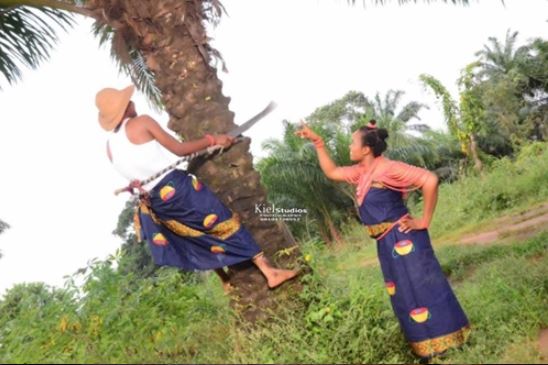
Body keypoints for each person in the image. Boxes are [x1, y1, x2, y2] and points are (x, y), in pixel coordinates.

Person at [295, 119, 470, 360]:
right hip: (386, 243)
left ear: (366, 149)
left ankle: (450, 343)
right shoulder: (362, 172)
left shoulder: (389, 168)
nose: (349, 147)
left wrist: (424, 220)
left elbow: (429, 180)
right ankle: (427, 348)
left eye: (352, 143)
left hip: (406, 238)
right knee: (406, 295)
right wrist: (318, 142)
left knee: (424, 288)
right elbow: (333, 172)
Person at [95, 85, 299, 292]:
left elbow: (137, 174)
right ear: (124, 109)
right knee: (222, 220)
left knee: (194, 233)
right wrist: (213, 139)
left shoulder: (110, 147)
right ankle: (269, 272)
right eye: (128, 102)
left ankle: (224, 279)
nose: (133, 103)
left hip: (156, 202)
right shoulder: (142, 122)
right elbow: (180, 150)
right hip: (176, 188)